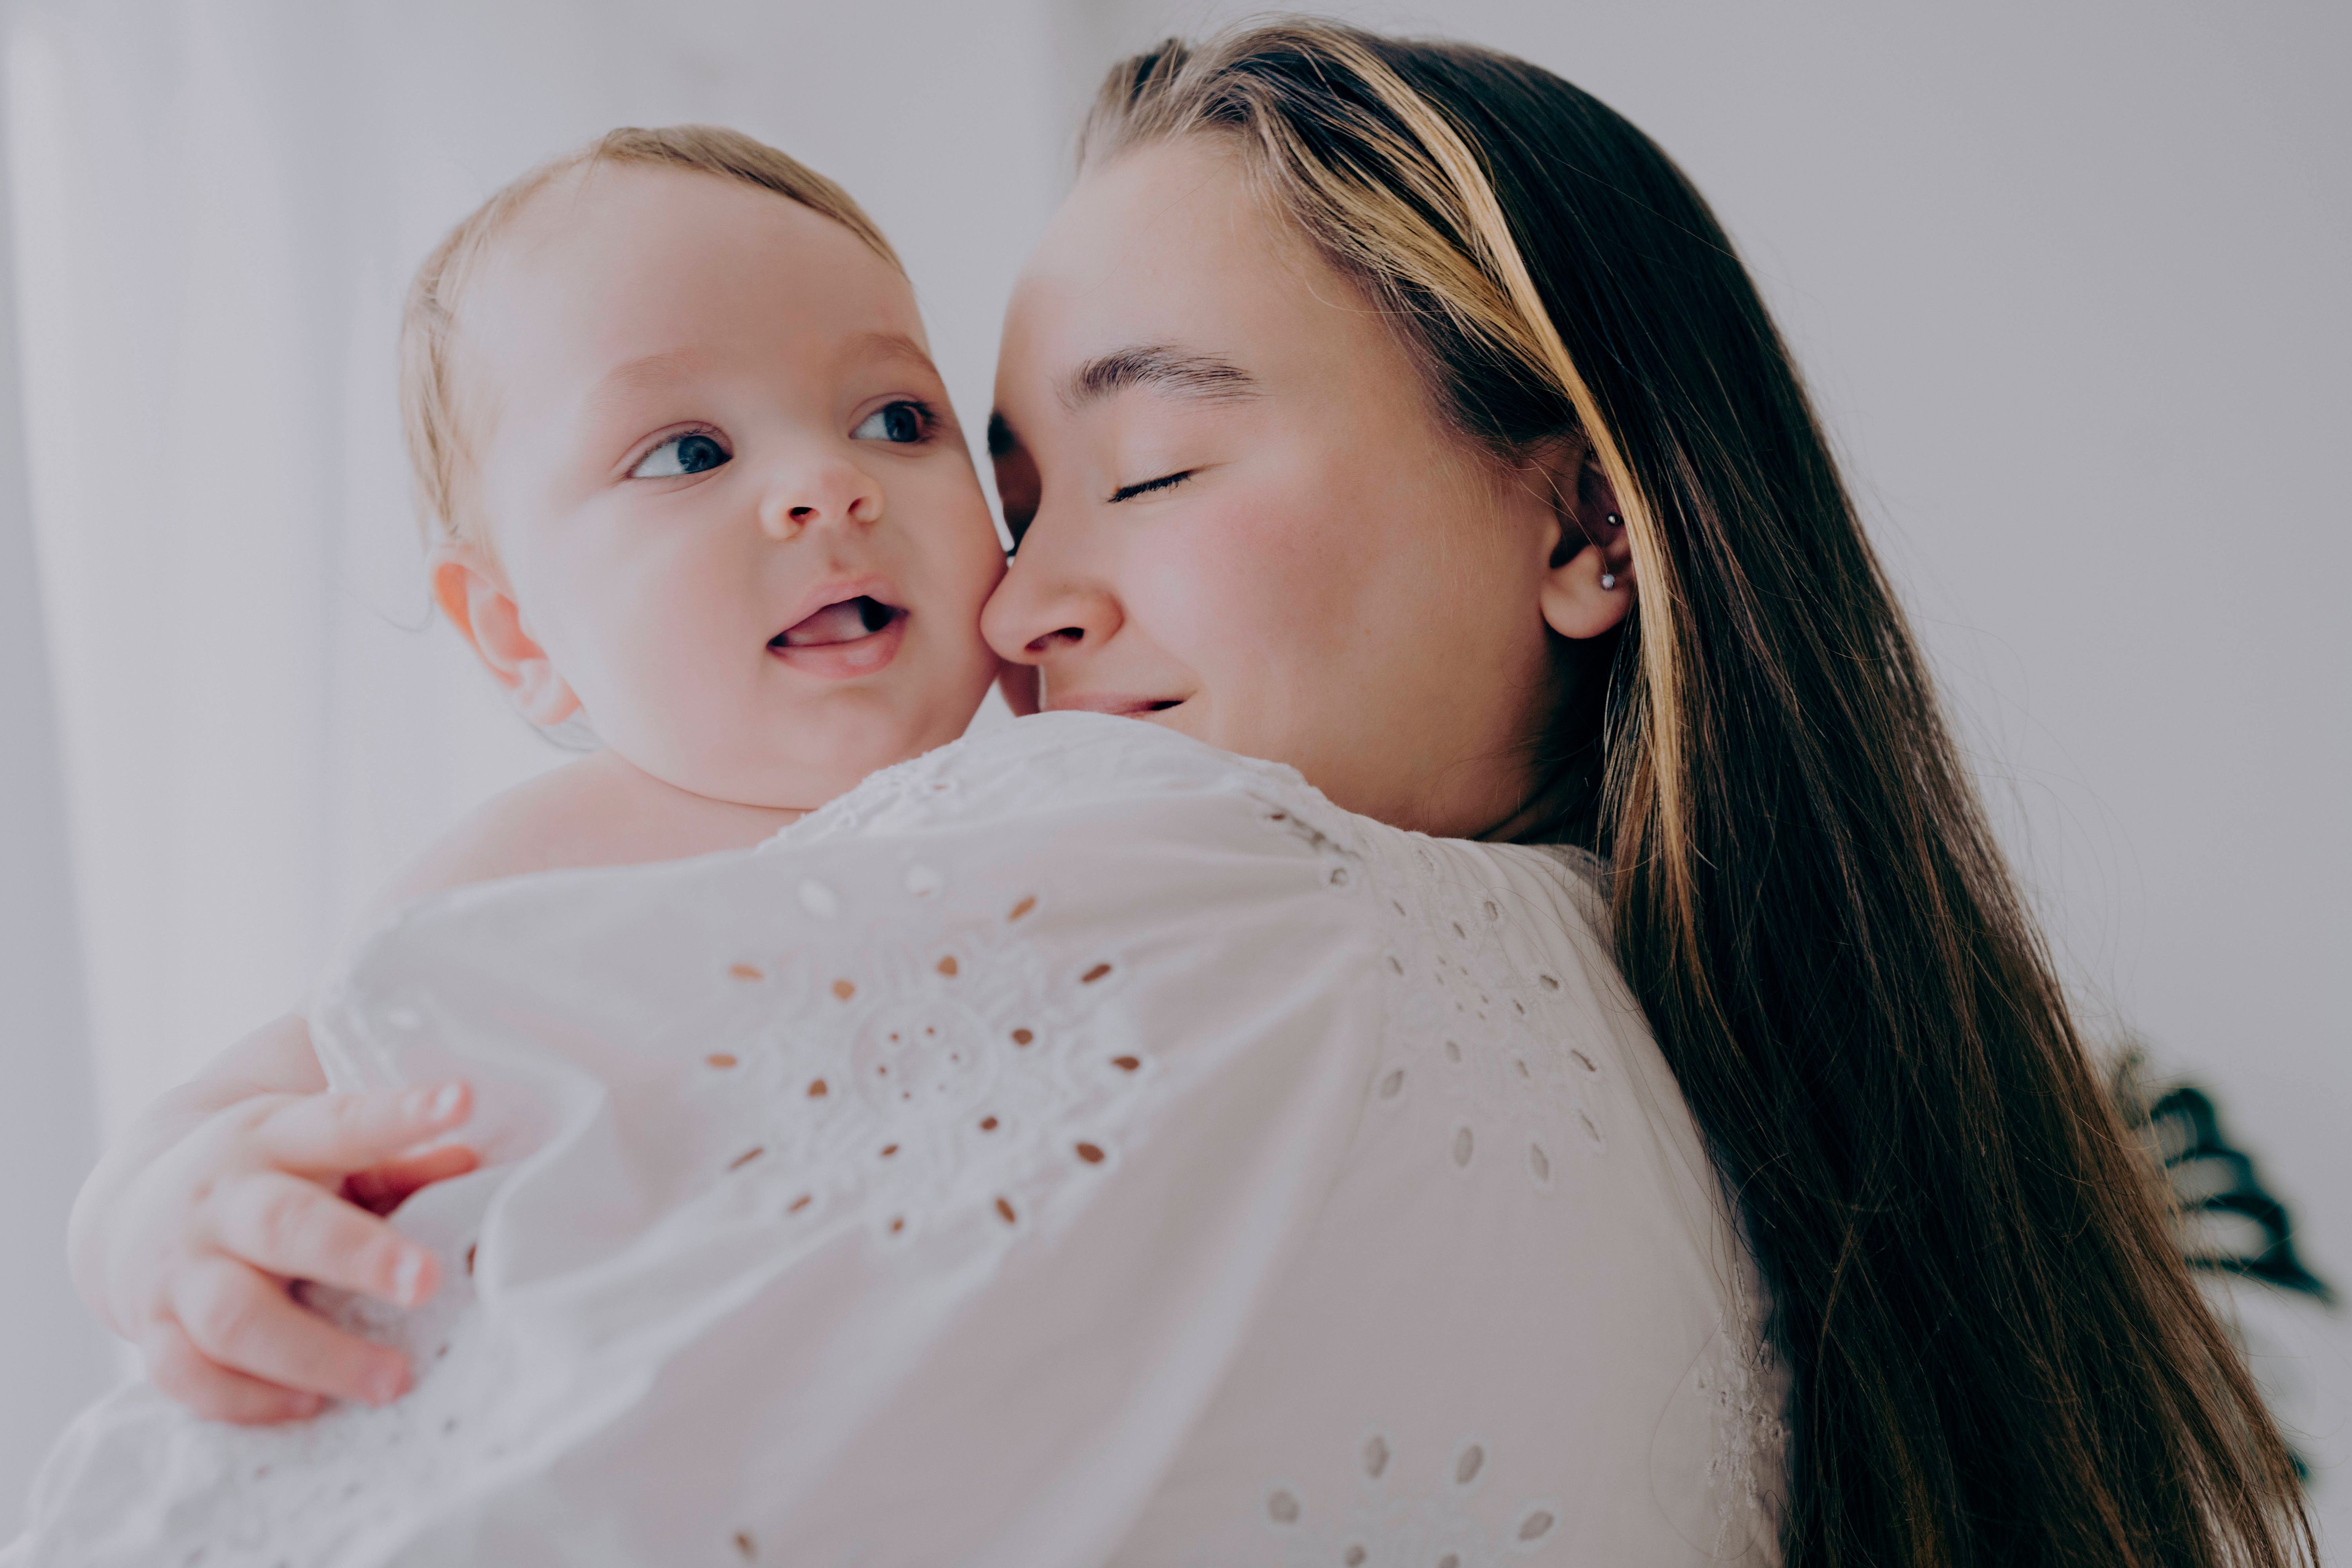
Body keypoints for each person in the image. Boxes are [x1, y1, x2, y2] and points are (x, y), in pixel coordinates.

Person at [22, 20, 2314, 1568]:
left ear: (1585, 525)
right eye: (1036, 487)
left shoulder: (1221, 912)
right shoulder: (1714, 1080)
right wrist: (152, 1213)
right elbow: (306, 1098)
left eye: (1140, 463)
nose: (1016, 605)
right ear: (504, 624)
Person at [59, 124, 1006, 1425]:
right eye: (688, 452)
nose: (828, 485)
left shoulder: (1053, 807)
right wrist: (165, 1216)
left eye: (897, 419)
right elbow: (227, 1106)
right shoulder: (528, 877)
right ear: (518, 631)